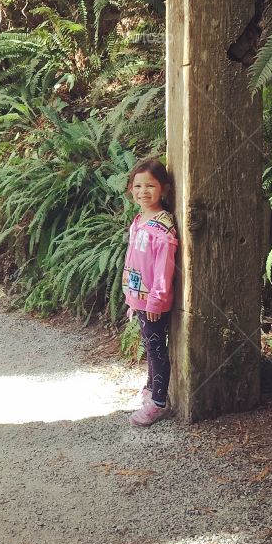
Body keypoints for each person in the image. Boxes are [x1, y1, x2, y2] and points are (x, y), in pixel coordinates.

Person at [122, 157, 178, 427]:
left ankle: (158, 401)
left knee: (156, 348)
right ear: (131, 188)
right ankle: (149, 387)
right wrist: (131, 298)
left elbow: (162, 268)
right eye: (138, 186)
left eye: (150, 186)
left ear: (164, 189)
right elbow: (134, 260)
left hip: (153, 301)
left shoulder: (162, 225)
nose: (143, 191)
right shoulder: (139, 219)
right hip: (138, 296)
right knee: (148, 344)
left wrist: (156, 301)